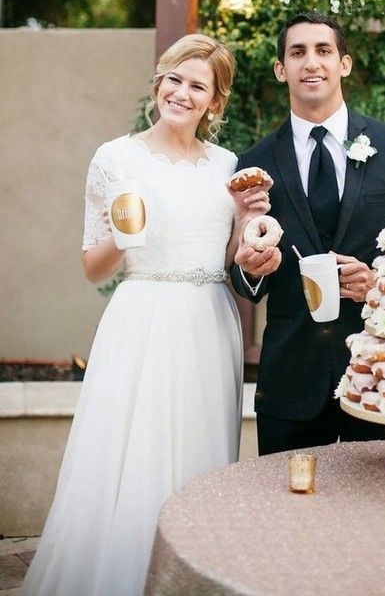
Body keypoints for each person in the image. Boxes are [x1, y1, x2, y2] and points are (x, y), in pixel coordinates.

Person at [23, 34, 269, 596]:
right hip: (141, 319)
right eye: (173, 79)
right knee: (130, 454)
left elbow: (235, 260)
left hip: (210, 323)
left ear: (215, 101)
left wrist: (250, 226)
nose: (181, 93)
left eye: (197, 85)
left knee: (201, 456)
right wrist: (126, 239)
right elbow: (93, 267)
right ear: (159, 83)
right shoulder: (115, 158)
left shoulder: (230, 167)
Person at [231, 11, 385, 455]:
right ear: (282, 69)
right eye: (297, 52)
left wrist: (380, 285)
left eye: (323, 50)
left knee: (378, 512)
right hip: (290, 380)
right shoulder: (254, 161)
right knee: (291, 515)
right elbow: (242, 279)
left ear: (345, 63)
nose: (311, 62)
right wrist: (254, 269)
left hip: (381, 377)